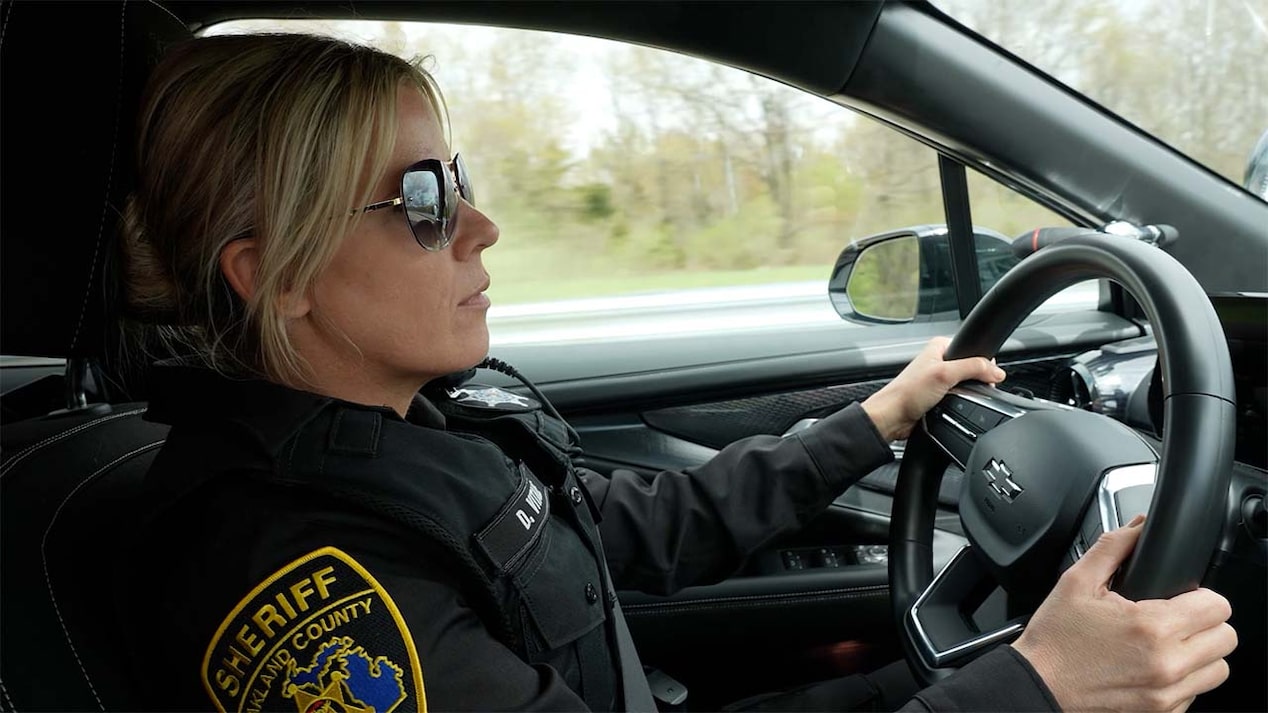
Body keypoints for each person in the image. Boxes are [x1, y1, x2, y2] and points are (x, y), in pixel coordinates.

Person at [118, 33, 1236, 712]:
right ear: (276, 276)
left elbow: (649, 526)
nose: (483, 226)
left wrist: (882, 415)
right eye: (422, 201)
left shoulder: (417, 431)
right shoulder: (301, 573)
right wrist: (1033, 688)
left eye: (456, 181)